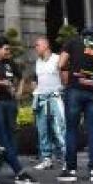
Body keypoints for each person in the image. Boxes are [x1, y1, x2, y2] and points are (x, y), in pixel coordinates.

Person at [57, 27, 93, 183]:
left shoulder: (73, 42)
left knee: (71, 129)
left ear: (82, 36)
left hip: (75, 90)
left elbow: (60, 63)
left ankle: (71, 170)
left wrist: (73, 72)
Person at [31, 37, 65, 170]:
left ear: (46, 45)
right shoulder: (38, 62)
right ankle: (46, 159)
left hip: (55, 97)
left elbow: (64, 77)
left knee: (59, 128)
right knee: (43, 129)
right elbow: (37, 79)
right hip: (41, 98)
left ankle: (64, 158)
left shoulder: (57, 59)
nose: (35, 48)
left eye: (37, 45)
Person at [0, 37, 22, 144]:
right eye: (6, 49)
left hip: (10, 101)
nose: (8, 52)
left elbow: (21, 77)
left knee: (12, 130)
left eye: (9, 49)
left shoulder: (10, 63)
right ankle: (1, 156)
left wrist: (19, 91)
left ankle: (13, 157)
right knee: (0, 129)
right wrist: (1, 82)